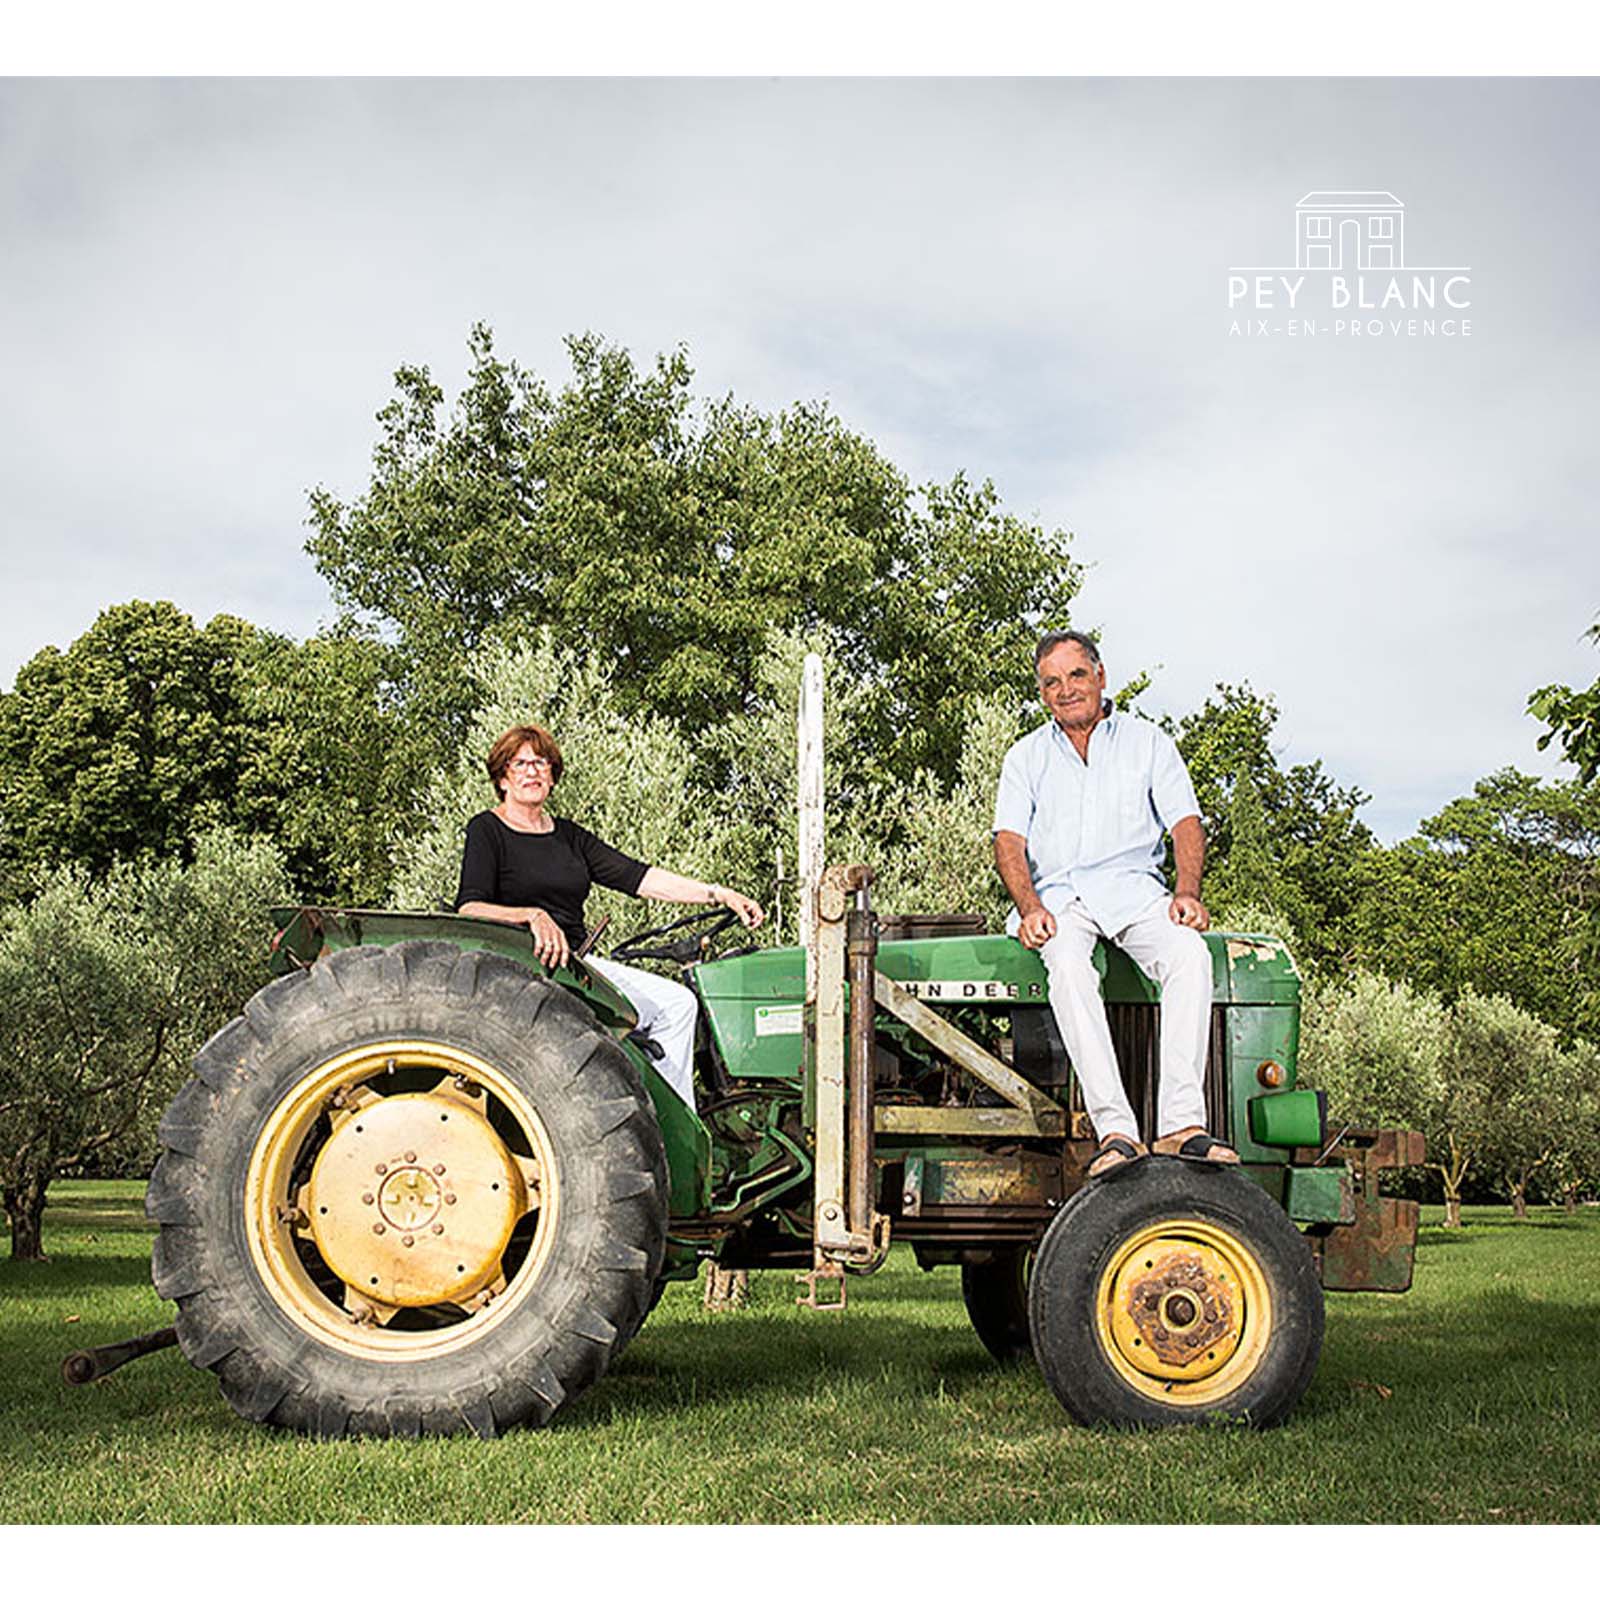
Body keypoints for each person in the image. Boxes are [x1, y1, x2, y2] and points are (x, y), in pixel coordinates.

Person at [992, 630, 1239, 1178]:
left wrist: (1188, 893)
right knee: (1067, 969)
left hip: (1133, 890)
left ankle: (1180, 1124)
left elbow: (1185, 823)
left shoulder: (1149, 743)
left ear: (1101, 677)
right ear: (1041, 694)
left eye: (1076, 676)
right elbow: (1009, 841)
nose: (1066, 690)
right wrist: (1030, 906)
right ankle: (1117, 1130)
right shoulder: (1025, 757)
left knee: (1188, 954)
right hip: (1060, 898)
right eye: (1051, 682)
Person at [455, 722, 764, 1112]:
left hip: (575, 964)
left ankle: (671, 1119)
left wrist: (718, 894)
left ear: (553, 775)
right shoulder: (487, 830)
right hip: (524, 965)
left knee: (679, 1005)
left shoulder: (569, 837)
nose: (532, 771)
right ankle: (671, 1134)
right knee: (675, 1007)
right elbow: (470, 908)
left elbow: (640, 877)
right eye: (520, 763)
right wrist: (531, 916)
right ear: (502, 777)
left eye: (541, 762)